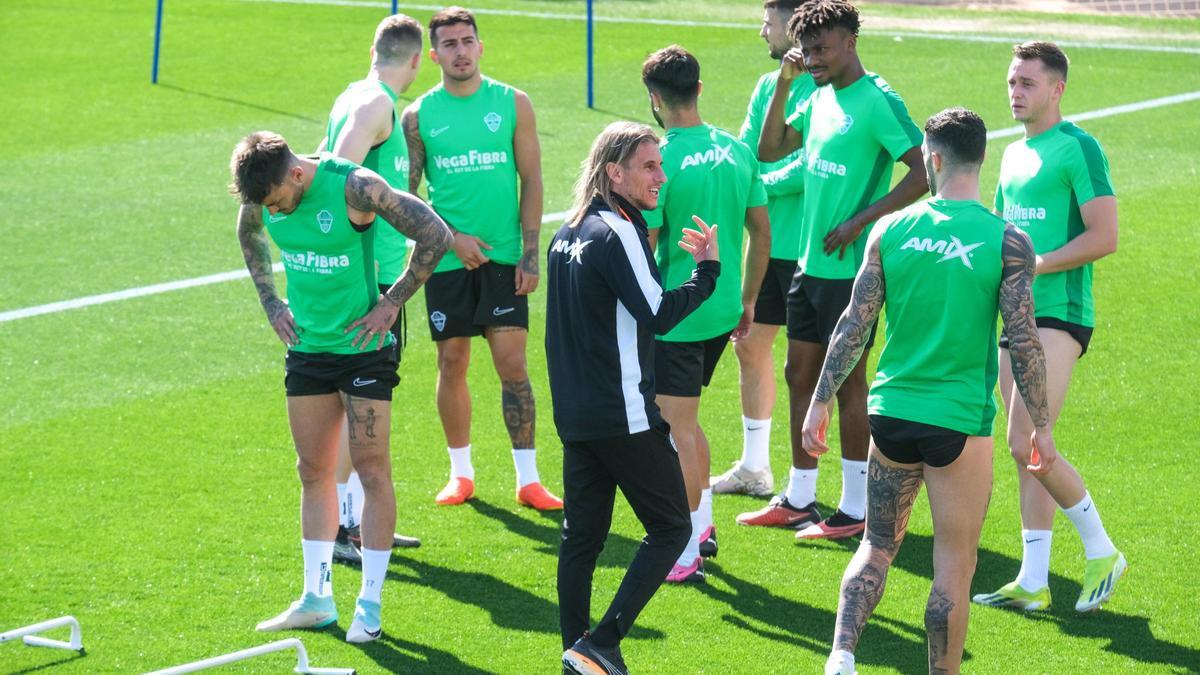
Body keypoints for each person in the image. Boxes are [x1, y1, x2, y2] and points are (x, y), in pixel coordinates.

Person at [801, 108, 1056, 675]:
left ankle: (841, 655)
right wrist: (1041, 423)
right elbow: (1025, 341)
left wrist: (821, 399)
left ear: (932, 159)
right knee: (953, 566)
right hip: (958, 425)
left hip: (890, 415)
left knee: (876, 545)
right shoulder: (1007, 240)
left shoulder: (890, 229)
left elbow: (853, 325)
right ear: (982, 157)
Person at [231, 131, 452, 643]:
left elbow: (436, 235)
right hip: (308, 350)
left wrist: (392, 301)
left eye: (276, 202)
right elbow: (248, 234)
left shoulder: (355, 187)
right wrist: (270, 302)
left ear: (295, 174)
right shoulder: (264, 199)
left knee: (372, 471)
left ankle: (369, 606)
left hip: (364, 351)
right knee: (312, 471)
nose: (273, 212)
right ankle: (316, 598)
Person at [748, 0, 927, 540]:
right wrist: (786, 80)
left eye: (822, 48)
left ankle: (855, 508)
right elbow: (769, 146)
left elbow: (923, 173)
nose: (813, 58)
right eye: (806, 50)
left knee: (848, 385)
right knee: (799, 375)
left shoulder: (878, 100)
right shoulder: (819, 95)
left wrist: (860, 222)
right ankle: (800, 497)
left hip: (852, 271)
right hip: (809, 265)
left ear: (851, 40)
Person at [548, 121, 721, 675]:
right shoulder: (618, 232)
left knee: (582, 541)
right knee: (673, 527)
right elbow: (659, 313)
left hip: (576, 414)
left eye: (660, 166)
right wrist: (709, 272)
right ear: (613, 171)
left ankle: (576, 653)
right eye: (649, 167)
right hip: (623, 414)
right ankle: (603, 641)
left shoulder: (567, 233)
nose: (660, 178)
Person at [972, 41, 1125, 614]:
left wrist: (1037, 264)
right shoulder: (1011, 156)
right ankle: (1034, 580)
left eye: (1027, 83)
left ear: (1057, 89)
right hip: (1016, 315)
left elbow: (1104, 236)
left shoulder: (1079, 148)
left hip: (1060, 314)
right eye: (1012, 82)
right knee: (1023, 452)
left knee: (1028, 439)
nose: (1015, 92)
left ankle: (1101, 548)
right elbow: (1000, 235)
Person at [401, 6, 561, 510]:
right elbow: (405, 198)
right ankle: (460, 473)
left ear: (480, 46)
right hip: (447, 259)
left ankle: (529, 478)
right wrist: (450, 238)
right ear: (434, 55)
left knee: (513, 365)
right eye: (449, 44)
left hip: (505, 256)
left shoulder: (513, 103)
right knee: (452, 360)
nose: (460, 51)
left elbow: (532, 180)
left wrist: (531, 255)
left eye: (467, 41)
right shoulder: (418, 116)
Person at [640, 45, 770, 583]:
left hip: (678, 313)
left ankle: (687, 546)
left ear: (654, 99)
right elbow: (760, 230)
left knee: (677, 430)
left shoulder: (659, 160)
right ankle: (704, 524)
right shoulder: (738, 150)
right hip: (720, 310)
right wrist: (748, 299)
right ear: (698, 89)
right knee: (686, 423)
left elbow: (646, 242)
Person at [320, 13, 425, 564]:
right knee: (356, 406)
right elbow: (340, 172)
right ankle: (340, 527)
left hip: (372, 273)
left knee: (367, 406)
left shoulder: (353, 95)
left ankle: (358, 522)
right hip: (371, 281)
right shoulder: (376, 104)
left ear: (373, 50)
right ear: (417, 60)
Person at [712, 0, 818, 498]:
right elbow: (747, 149)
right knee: (749, 344)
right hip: (767, 245)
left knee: (812, 367)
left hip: (813, 251)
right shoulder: (766, 86)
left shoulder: (826, 86)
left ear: (792, 22)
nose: (762, 31)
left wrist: (759, 186)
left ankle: (817, 484)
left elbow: (812, 167)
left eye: (768, 21)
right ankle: (755, 468)